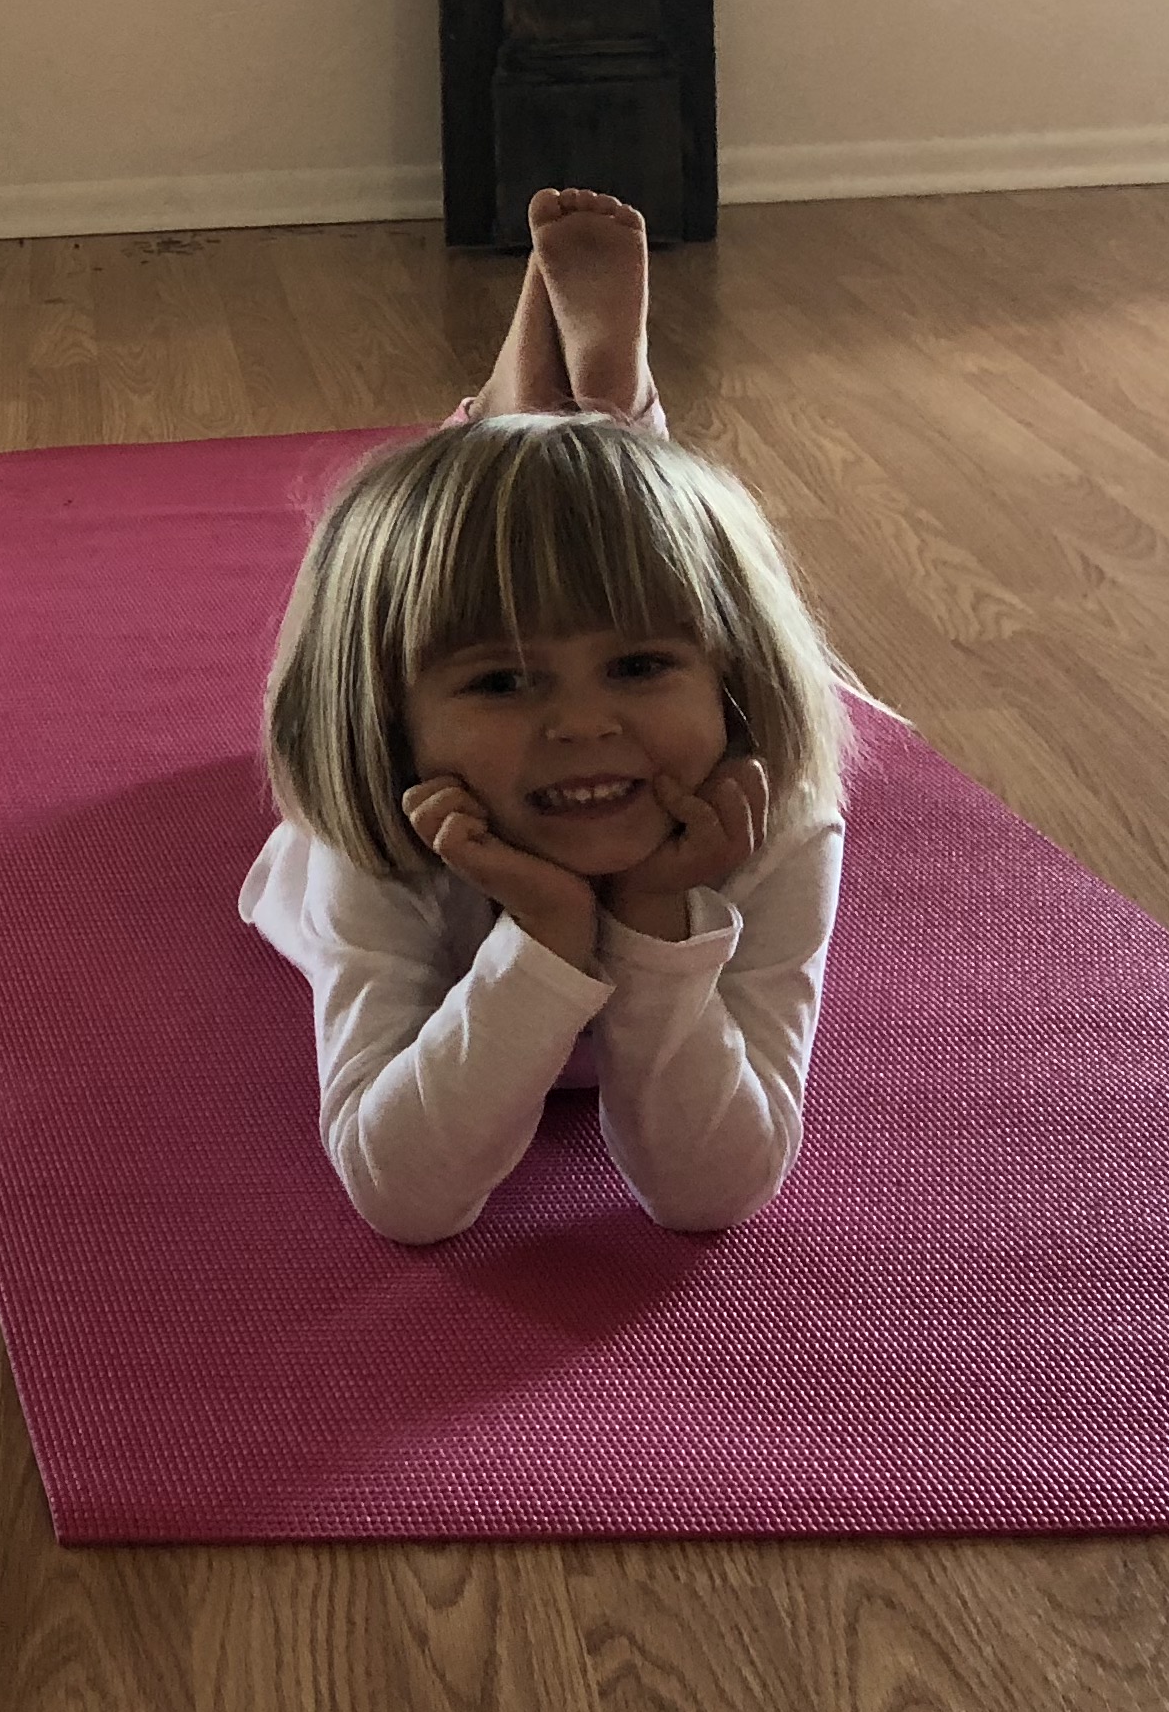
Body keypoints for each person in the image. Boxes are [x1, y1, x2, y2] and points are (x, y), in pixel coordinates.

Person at [243, 190, 855, 1245]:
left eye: (640, 667)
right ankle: (548, 421)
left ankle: (564, 425)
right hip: (408, 796)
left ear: (730, 680)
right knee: (379, 612)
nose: (583, 727)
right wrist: (544, 931)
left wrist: (655, 918)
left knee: (593, 560)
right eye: (504, 683)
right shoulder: (383, 842)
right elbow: (404, 1197)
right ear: (396, 729)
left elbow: (712, 1193)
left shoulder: (772, 821)